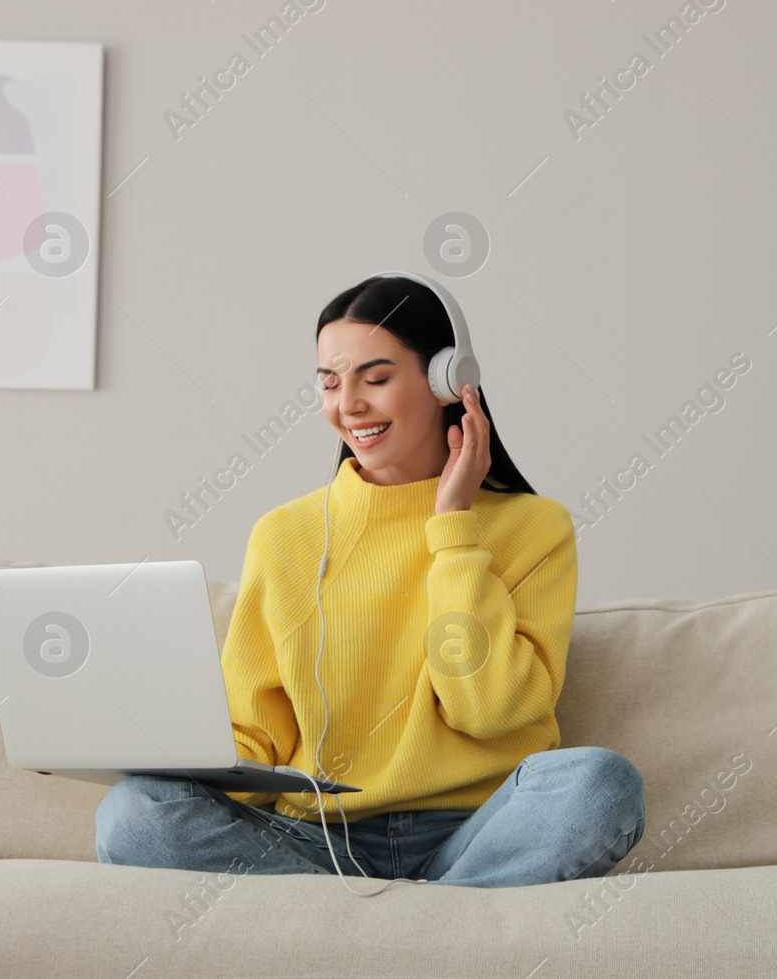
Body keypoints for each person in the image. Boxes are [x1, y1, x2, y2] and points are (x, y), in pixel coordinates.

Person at [95, 274, 645, 889]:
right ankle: (434, 928)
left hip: (477, 831)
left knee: (600, 784)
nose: (348, 404)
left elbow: (489, 712)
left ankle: (367, 933)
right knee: (133, 814)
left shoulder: (534, 527)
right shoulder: (285, 535)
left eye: (375, 378)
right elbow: (257, 731)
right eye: (330, 383)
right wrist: (168, 754)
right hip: (315, 840)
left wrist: (454, 529)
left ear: (447, 381)